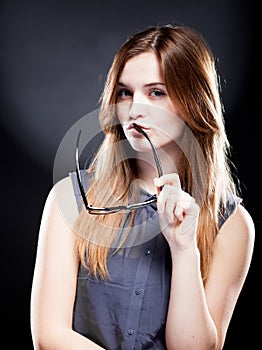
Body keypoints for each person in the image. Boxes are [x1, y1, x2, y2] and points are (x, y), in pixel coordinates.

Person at [30, 24, 255, 350]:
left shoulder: (232, 225)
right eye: (125, 92)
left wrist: (183, 250)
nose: (135, 110)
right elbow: (50, 336)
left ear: (193, 102)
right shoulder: (71, 199)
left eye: (156, 93)